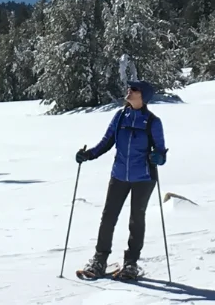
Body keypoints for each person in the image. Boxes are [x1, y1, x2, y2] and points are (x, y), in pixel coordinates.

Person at [74, 80, 168, 280]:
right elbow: (106, 142)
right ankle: (100, 259)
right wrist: (88, 155)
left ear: (143, 96)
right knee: (108, 217)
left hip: (144, 177)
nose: (129, 91)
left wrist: (158, 158)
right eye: (129, 88)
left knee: (136, 219)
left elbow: (161, 153)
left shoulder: (152, 122)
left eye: (134, 90)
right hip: (119, 176)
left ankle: (131, 263)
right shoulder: (120, 117)